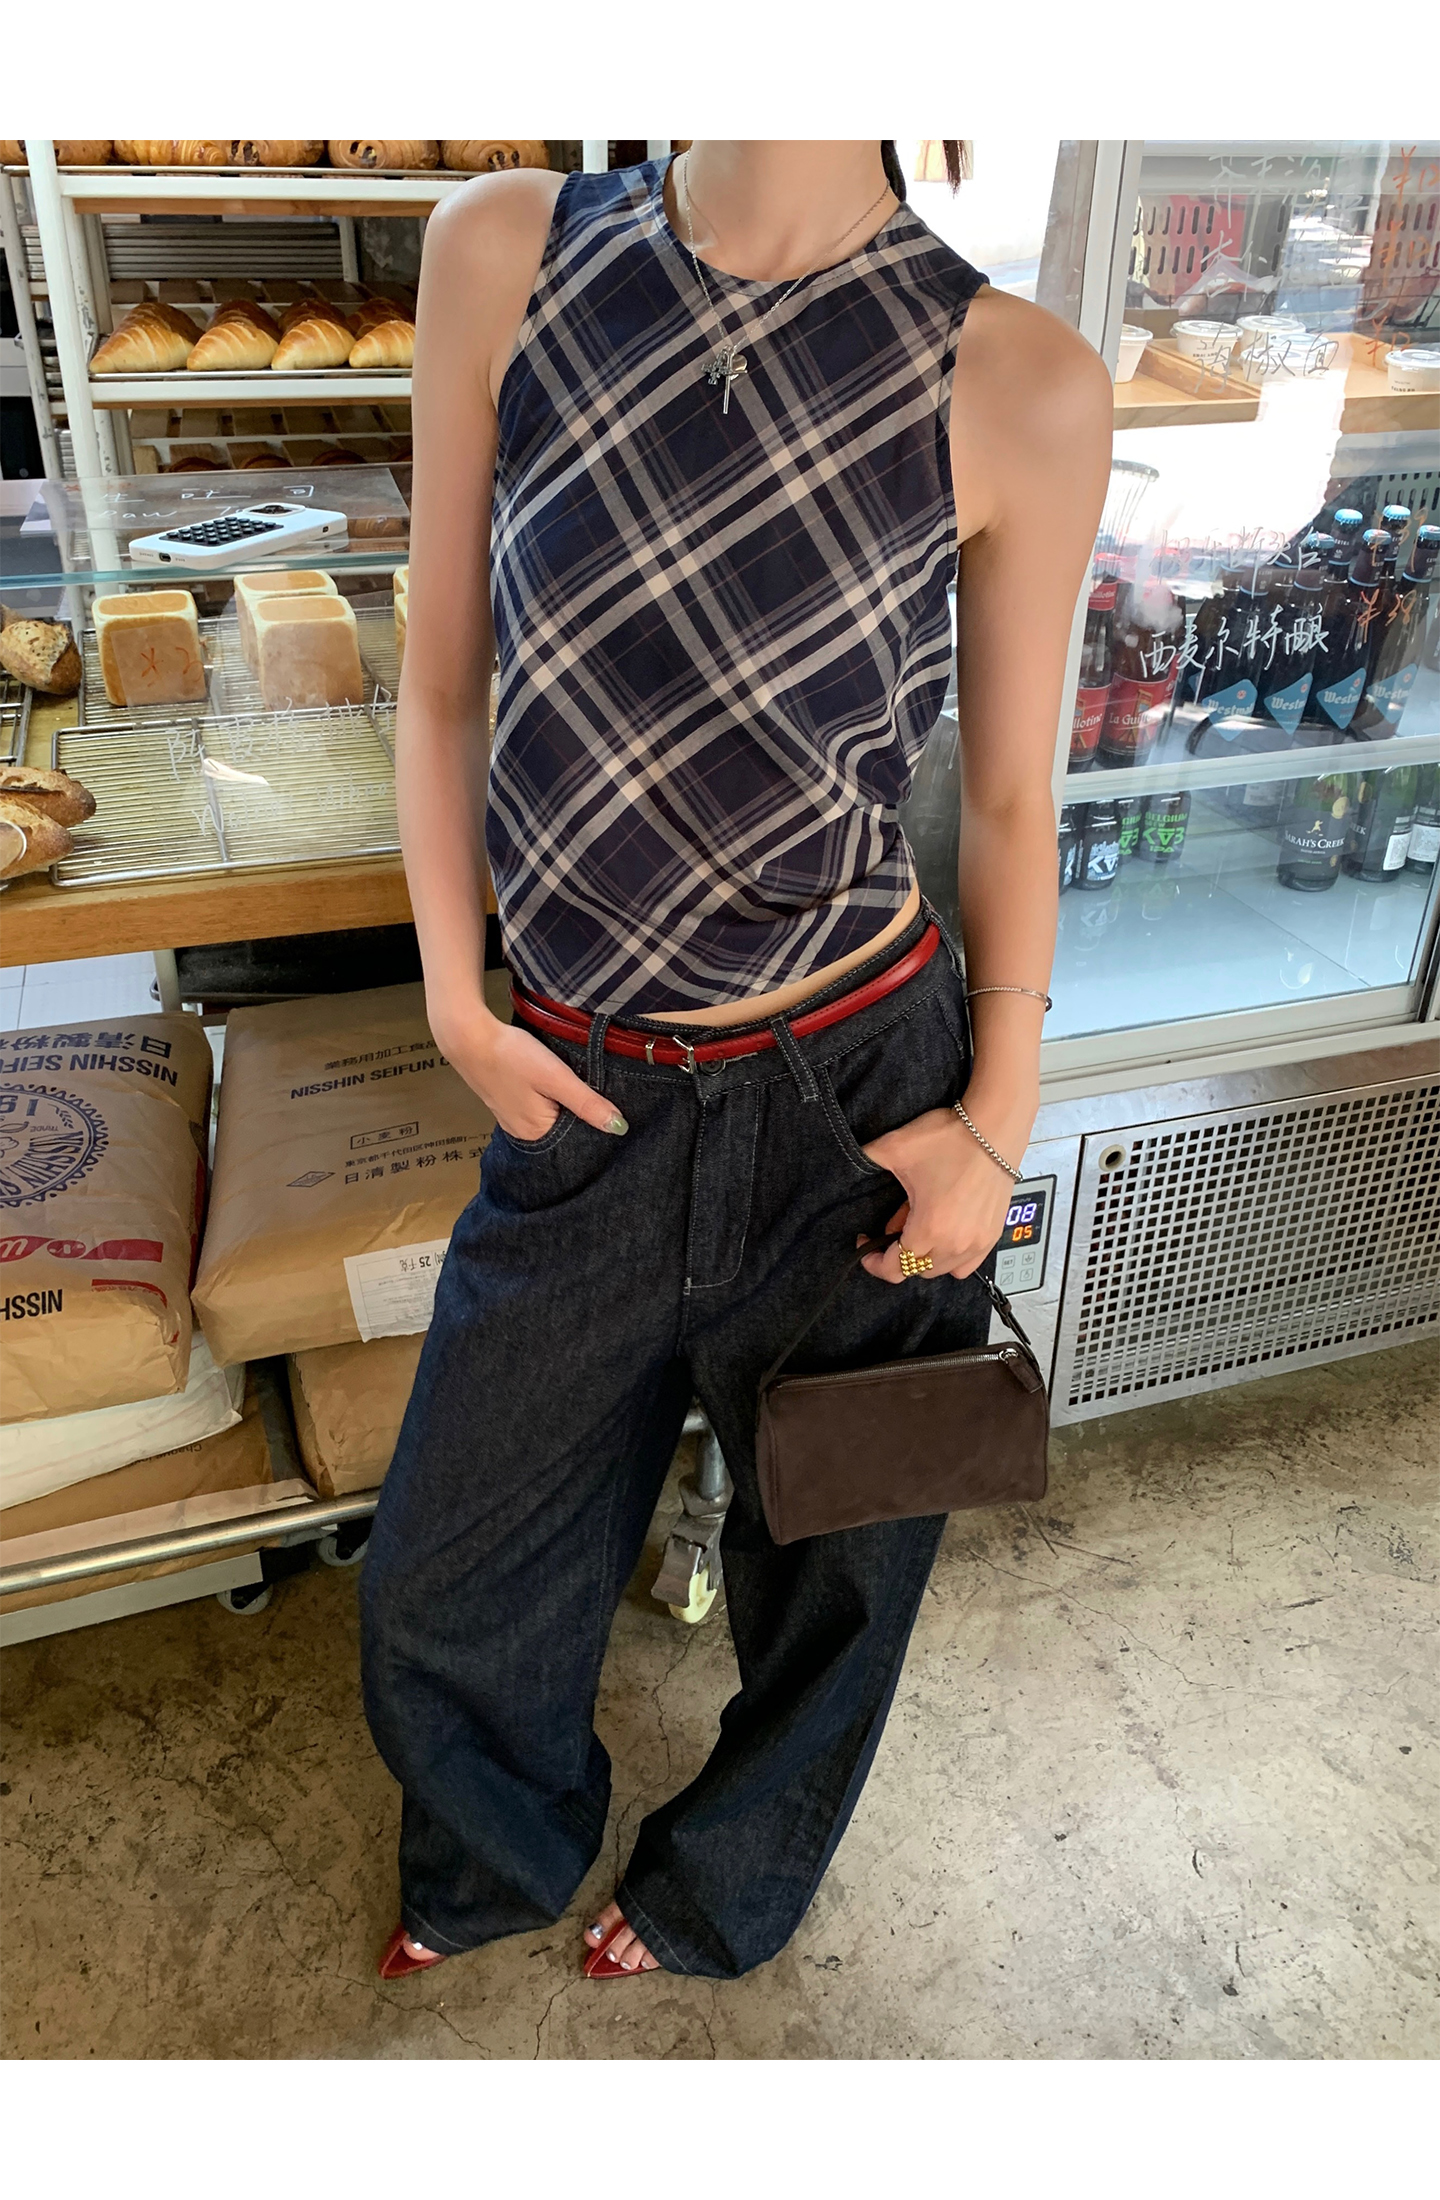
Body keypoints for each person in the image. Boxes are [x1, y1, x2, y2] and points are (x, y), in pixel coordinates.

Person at [359, 139, 1111, 1982]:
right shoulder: (507, 248)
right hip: (578, 1089)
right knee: (444, 1576)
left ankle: (725, 1885)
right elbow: (442, 671)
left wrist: (995, 1125)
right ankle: (497, 1854)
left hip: (855, 1106)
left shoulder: (1016, 375)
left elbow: (1010, 799)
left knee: (845, 1564)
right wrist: (455, 995)